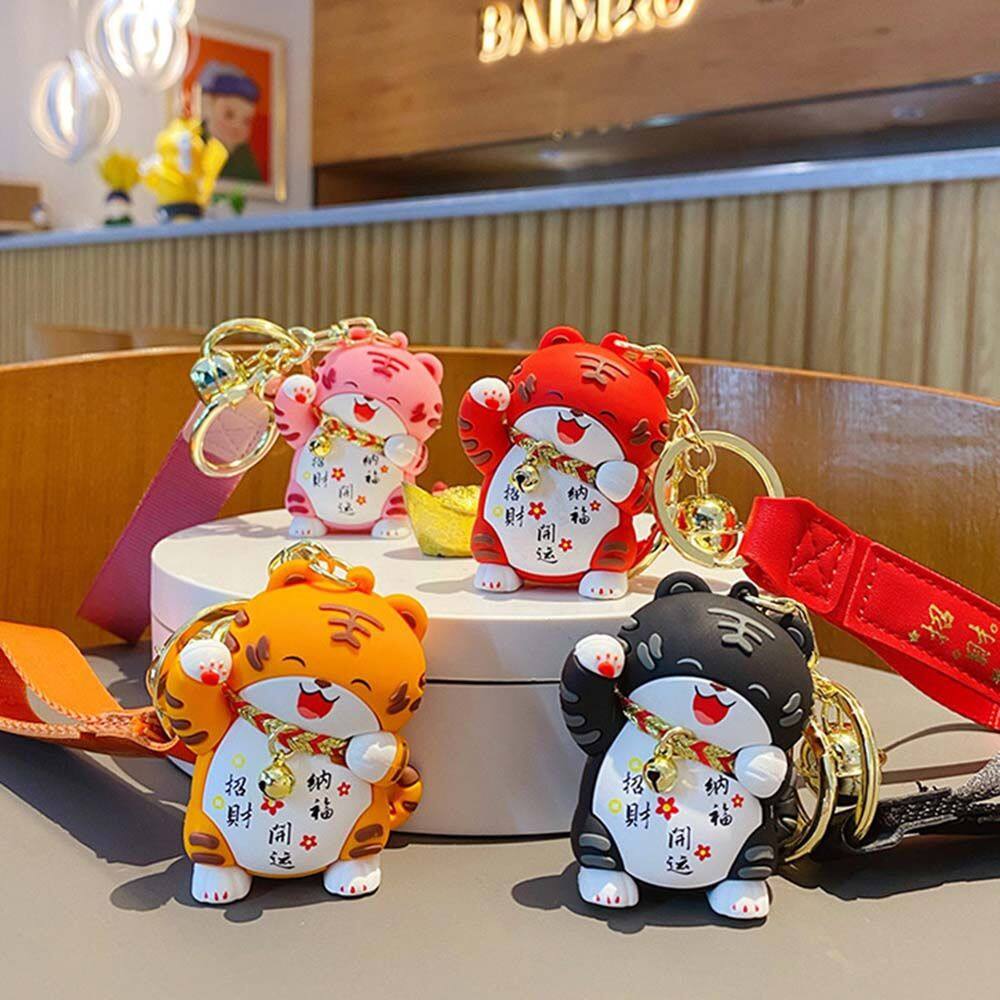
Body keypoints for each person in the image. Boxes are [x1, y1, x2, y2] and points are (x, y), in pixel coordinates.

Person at [198, 60, 263, 184]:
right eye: (229, 115)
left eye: (246, 121)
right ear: (207, 106)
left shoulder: (244, 157)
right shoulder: (195, 144)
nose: (237, 126)